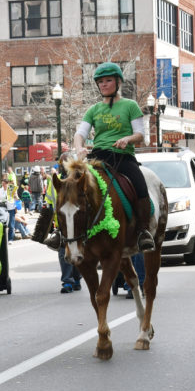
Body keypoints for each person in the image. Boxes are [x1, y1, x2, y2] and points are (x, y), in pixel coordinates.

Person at [71, 62, 155, 251]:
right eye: (100, 82)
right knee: (68, 183)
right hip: (98, 157)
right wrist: (79, 148)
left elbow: (141, 134)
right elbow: (80, 134)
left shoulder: (130, 105)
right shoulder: (93, 110)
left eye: (108, 80)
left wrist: (127, 139)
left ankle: (143, 230)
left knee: (140, 184)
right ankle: (58, 232)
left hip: (123, 157)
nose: (103, 84)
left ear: (118, 82)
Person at [42, 153, 81, 294]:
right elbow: (50, 201)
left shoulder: (78, 181)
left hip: (77, 224)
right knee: (64, 251)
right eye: (62, 164)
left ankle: (76, 278)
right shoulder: (55, 181)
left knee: (76, 250)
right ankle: (68, 282)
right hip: (63, 224)